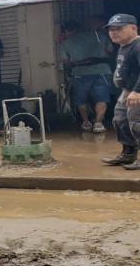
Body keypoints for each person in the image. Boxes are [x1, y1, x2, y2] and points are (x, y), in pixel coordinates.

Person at [100, 14, 140, 169]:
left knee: (136, 123)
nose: (114, 32)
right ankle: (128, 154)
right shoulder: (124, 46)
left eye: (119, 29)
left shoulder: (137, 46)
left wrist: (137, 91)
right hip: (127, 91)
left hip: (136, 92)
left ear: (133, 28)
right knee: (120, 120)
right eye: (111, 29)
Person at [58, 21, 113, 132]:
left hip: (80, 73)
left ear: (67, 31)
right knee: (101, 98)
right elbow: (110, 50)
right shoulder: (99, 36)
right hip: (102, 71)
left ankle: (86, 122)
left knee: (81, 100)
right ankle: (98, 124)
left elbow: (66, 62)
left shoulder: (65, 43)